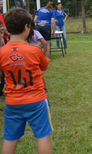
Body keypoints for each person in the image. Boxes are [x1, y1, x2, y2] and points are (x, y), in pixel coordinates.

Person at [0, 8, 53, 154]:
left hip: (12, 102)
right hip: (36, 100)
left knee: (9, 140)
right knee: (42, 137)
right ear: (26, 27)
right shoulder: (35, 49)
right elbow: (45, 66)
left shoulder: (2, 52)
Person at [0, 21, 8, 97]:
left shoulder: (4, 38)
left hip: (2, 60)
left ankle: (1, 91)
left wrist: (1, 37)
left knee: (2, 76)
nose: (2, 29)